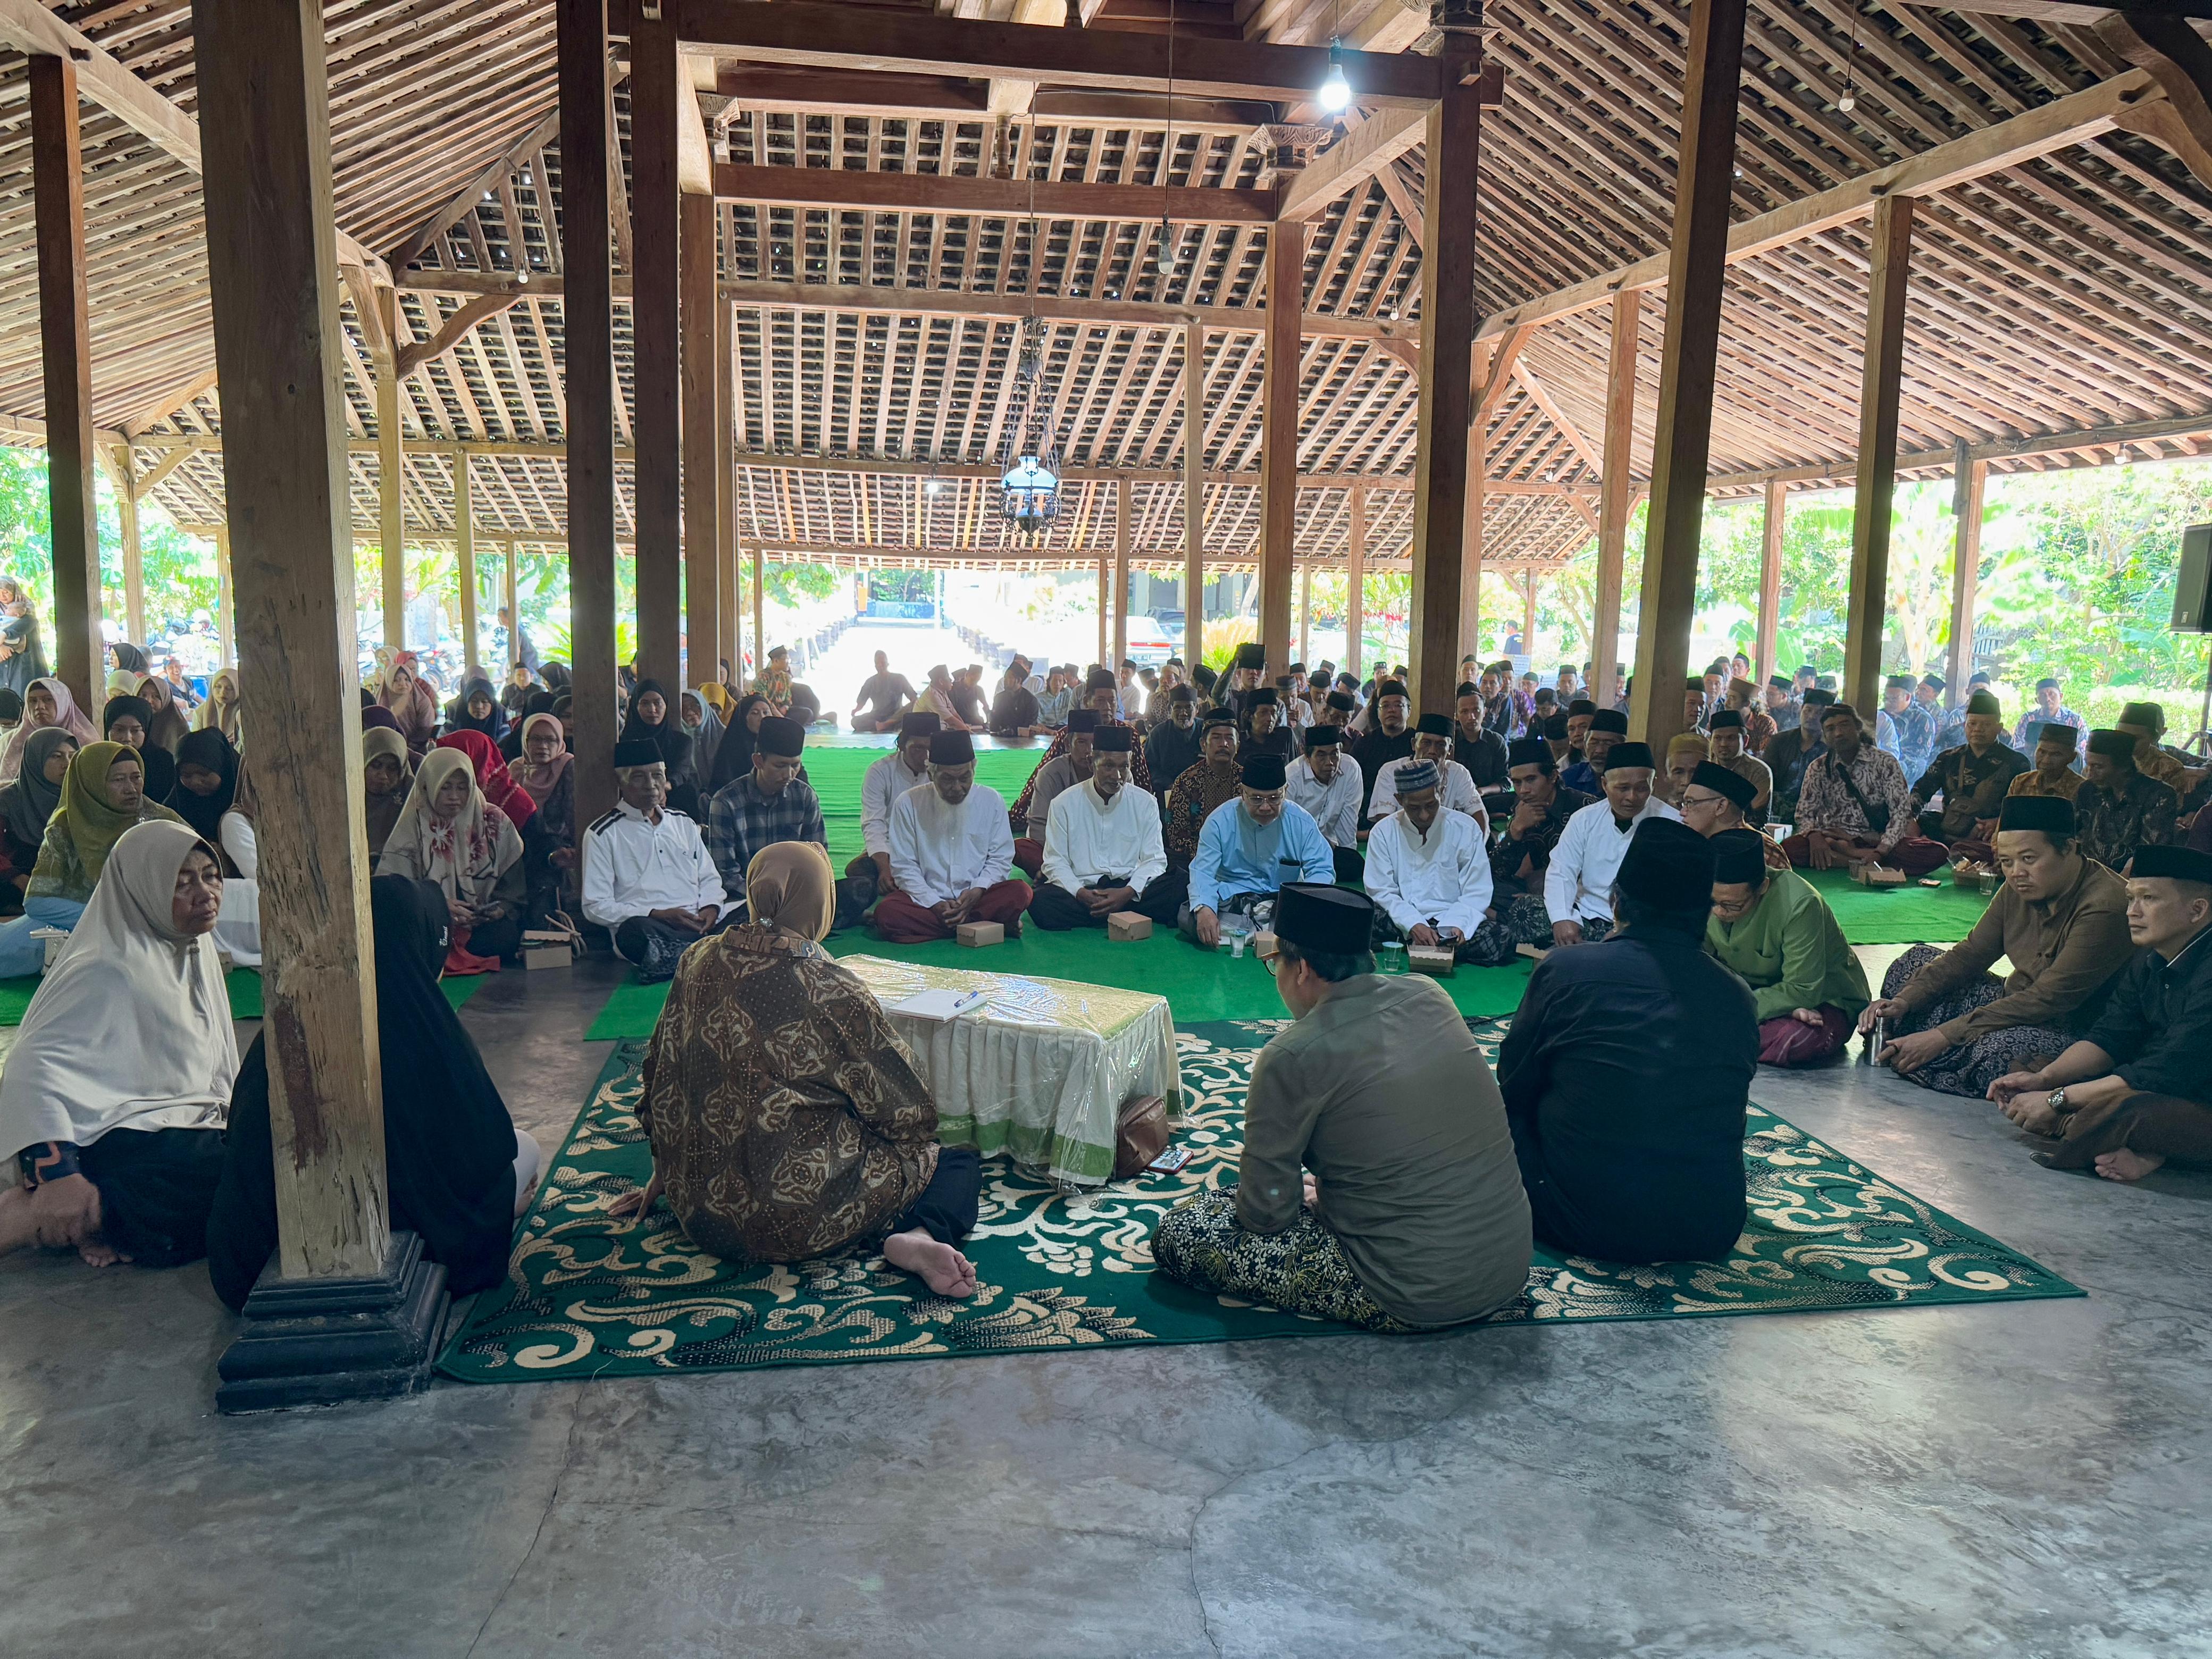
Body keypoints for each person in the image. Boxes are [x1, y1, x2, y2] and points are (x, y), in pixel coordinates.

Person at [1151, 884, 1531, 1331]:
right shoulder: (1430, 995)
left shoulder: (1291, 1054)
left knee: (1183, 1231)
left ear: (1303, 969)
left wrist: (1306, 1200)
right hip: (1508, 1265)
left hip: (1412, 1292)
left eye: (1275, 962)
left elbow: (1265, 1215)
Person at [614, 842, 979, 1296]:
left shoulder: (696, 960)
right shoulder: (829, 987)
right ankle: (919, 1236)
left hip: (700, 1214)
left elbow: (660, 1070)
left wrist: (667, 1167)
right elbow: (909, 1113)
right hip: (802, 1222)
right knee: (953, 1159)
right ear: (819, 900)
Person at [205, 874, 540, 1309]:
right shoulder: (426, 1027)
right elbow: (485, 1147)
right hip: (391, 1248)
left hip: (253, 1262)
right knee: (525, 1148)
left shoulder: (288, 1017)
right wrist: (495, 1213)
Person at [1499, 819, 1755, 1262]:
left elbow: (1514, 1084)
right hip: (1710, 1224)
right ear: (1704, 914)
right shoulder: (1738, 996)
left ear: (1617, 904)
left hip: (1578, 1221)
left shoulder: (1566, 972)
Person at [0, 823, 234, 1270]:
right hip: (110, 1137)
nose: (205, 893)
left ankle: (112, 1224)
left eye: (210, 875)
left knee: (252, 1169)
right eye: (181, 881)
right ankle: (42, 1217)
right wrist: (58, 1176)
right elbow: (32, 1067)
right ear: (142, 886)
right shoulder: (107, 967)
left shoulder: (192, 945)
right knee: (226, 1179)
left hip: (178, 1120)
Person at [1858, 795, 2133, 1098]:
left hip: (2073, 1030)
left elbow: (2049, 999)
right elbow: (1972, 953)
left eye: (2029, 859)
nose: (2016, 872)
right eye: (2007, 861)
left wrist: (1944, 1035)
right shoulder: (2018, 885)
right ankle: (1919, 1046)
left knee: (1995, 1054)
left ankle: (1916, 1046)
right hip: (2015, 1000)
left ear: (2068, 848)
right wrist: (1904, 1001)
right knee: (1913, 964)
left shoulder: (2105, 906)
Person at [1985, 845, 2212, 1181]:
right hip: (2158, 1083)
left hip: (2190, 1092)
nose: (2132, 912)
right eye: (2130, 898)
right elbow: (2111, 1036)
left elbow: (2171, 1068)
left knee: (2130, 1113)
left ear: (2197, 910)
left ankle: (2130, 1141)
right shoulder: (2150, 958)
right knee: (2033, 1066)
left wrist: (2058, 1100)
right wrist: (2046, 1081)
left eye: (2148, 899)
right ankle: (2128, 1141)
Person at [1703, 827, 1870, 1066]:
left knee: (1794, 1040)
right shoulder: (1706, 892)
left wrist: (1726, 1009)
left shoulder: (1800, 905)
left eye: (1732, 906)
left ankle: (1710, 1033)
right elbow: (1699, 962)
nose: (1718, 912)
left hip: (1824, 1000)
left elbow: (1803, 989)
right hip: (1751, 997)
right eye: (1712, 903)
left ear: (1762, 888)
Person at [582, 738, 733, 979]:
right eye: (639, 777)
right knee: (632, 933)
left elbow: (709, 878)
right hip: (655, 927)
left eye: (657, 775)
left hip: (700, 921)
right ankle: (714, 952)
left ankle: (687, 955)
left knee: (753, 910)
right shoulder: (602, 833)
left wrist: (711, 907)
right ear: (620, 781)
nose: (651, 785)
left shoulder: (683, 823)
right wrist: (656, 914)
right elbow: (595, 906)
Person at [376, 744, 528, 963]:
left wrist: (500, 910)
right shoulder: (414, 824)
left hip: (479, 925)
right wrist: (438, 904)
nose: (454, 797)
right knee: (408, 940)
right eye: (445, 788)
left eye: (462, 787)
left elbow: (513, 884)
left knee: (504, 937)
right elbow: (395, 889)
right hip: (431, 921)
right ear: (429, 786)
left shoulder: (494, 821)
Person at [875, 731, 1032, 942]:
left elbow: (1000, 858)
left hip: (977, 898)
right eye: (948, 779)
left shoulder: (991, 801)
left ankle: (950, 927)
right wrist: (934, 903)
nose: (958, 788)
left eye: (965, 778)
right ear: (931, 774)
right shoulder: (908, 803)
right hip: (926, 901)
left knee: (1021, 891)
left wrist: (978, 889)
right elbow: (904, 867)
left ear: (973, 770)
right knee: (887, 912)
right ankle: (986, 926)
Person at [1541, 742, 1682, 949]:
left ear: (1654, 784)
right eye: (1623, 788)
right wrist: (1562, 918)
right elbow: (1562, 870)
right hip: (1588, 915)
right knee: (1527, 911)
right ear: (1605, 784)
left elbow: (1675, 892)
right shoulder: (1584, 819)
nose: (1632, 797)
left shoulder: (1673, 824)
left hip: (1644, 926)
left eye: (1642, 788)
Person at [1182, 753, 1334, 946]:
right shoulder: (1220, 822)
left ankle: (1253, 935)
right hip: (1233, 900)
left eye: (1273, 798)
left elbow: (1322, 869)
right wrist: (1205, 909)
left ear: (1285, 792)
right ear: (1242, 793)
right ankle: (1278, 937)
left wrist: (1305, 904)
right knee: (1194, 916)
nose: (1265, 807)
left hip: (1283, 902)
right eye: (1256, 799)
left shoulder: (1301, 822)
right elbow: (1203, 871)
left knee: (1328, 917)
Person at [1032, 728, 1172, 930]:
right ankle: (1117, 914)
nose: (1117, 776)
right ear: (1092, 764)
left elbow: (1155, 860)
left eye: (1124, 767)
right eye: (1108, 766)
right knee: (1040, 900)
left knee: (1177, 885)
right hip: (1083, 891)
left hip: (1129, 889)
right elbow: (1055, 862)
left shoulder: (1145, 803)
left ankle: (1103, 913)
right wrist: (1080, 893)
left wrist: (1127, 893)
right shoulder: (1063, 804)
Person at [1783, 702, 1936, 874]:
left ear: (1858, 727)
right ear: (1825, 736)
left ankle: (1848, 857)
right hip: (1832, 838)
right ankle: (1861, 860)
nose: (1839, 733)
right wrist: (1814, 836)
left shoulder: (1885, 763)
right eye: (1831, 729)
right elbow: (1804, 813)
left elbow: (1901, 813)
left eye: (1844, 725)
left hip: (1877, 840)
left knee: (1935, 852)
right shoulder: (1818, 767)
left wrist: (1881, 850)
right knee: (1791, 847)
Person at [1364, 759, 1493, 960]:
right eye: (1415, 808)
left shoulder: (1466, 828)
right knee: (1358, 921)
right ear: (1399, 800)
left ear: (1440, 792)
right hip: (1401, 919)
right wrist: (1413, 924)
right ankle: (1426, 942)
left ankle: (1427, 944)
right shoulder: (1383, 832)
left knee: (1501, 936)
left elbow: (1477, 889)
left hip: (1449, 919)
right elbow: (1382, 891)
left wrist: (1458, 924)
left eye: (1431, 805)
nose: (1425, 815)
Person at [706, 714, 828, 915]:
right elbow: (726, 873)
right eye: (780, 766)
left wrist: (796, 896)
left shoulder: (805, 797)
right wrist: (764, 900)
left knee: (856, 892)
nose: (789, 774)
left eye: (795, 765)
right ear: (758, 761)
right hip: (747, 899)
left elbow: (818, 856)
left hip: (795, 896)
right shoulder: (726, 802)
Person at [1007, 672, 1154, 828]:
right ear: (1086, 701)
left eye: (1112, 701)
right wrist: (1018, 813)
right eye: (1100, 701)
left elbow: (1141, 779)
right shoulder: (1070, 733)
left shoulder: (1127, 734)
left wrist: (1145, 813)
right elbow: (1042, 773)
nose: (1107, 707)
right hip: (1068, 817)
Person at [1908, 689, 2027, 863]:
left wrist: (1999, 822)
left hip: (1986, 836)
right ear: (1965, 725)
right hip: (1948, 830)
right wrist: (1910, 818)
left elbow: (2022, 807)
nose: (1978, 729)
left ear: (1999, 728)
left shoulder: (2016, 762)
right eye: (1972, 724)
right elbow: (1921, 790)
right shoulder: (1948, 758)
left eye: (1986, 725)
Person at [1484, 735, 1597, 907]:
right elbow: (1498, 872)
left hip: (1579, 894)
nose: (1523, 790)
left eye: (1531, 780)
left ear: (1552, 777)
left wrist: (1544, 895)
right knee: (1484, 891)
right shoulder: (1522, 808)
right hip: (1536, 890)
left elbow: (1598, 873)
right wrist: (1515, 831)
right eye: (1517, 782)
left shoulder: (1585, 808)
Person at [2072, 728, 2181, 873]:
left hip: (2135, 879)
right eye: (2089, 765)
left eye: (2098, 767)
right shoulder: (2088, 790)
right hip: (2088, 874)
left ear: (2123, 767)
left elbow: (2152, 853)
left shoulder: (2158, 795)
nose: (2090, 773)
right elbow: (2074, 835)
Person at [1368, 713, 1487, 829]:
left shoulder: (1458, 773)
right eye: (1426, 743)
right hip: (1401, 845)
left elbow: (1480, 817)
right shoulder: (1390, 772)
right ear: (1414, 744)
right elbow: (1384, 824)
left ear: (1450, 749)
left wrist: (1477, 847)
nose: (1432, 751)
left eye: (1441, 745)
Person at [0, 726, 74, 904]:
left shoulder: (79, 797)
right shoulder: (9, 800)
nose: (67, 763)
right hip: (15, 889)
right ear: (36, 759)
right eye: (56, 756)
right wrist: (17, 878)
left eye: (73, 756)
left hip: (68, 889)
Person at [1164, 711, 1244, 869]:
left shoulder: (1248, 781)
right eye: (1216, 738)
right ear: (1203, 744)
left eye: (1230, 738)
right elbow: (1177, 835)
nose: (1224, 744)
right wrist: (1209, 858)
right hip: (1195, 863)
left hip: (1240, 862)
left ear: (1238, 746)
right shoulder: (1186, 781)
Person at [1286, 724, 1364, 883]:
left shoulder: (1350, 769)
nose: (1330, 762)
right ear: (1307, 757)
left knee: (1354, 865)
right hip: (1296, 846)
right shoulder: (1291, 777)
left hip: (1329, 846)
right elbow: (1288, 828)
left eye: (1335, 754)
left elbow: (1348, 820)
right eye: (1321, 755)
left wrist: (1347, 855)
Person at [619, 678, 701, 818]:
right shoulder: (625, 742)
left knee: (686, 792)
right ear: (635, 707)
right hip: (635, 801)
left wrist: (662, 789)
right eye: (645, 704)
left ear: (666, 705)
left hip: (672, 796)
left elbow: (680, 772)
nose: (652, 710)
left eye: (658, 703)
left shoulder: (682, 741)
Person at [0, 676, 98, 786]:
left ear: (62, 702)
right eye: (33, 701)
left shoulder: (86, 742)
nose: (39, 707)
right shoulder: (10, 742)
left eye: (48, 700)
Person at [1347, 679, 1413, 818]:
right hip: (1367, 815)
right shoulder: (1364, 743)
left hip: (1410, 814)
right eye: (1385, 706)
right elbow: (1351, 783)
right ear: (1378, 712)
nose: (1391, 710)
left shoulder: (1417, 743)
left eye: (1398, 705)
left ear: (1409, 711)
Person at [102, 694, 177, 803]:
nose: (127, 738)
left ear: (146, 731)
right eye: (119, 730)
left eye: (135, 731)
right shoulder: (99, 761)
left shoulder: (163, 763)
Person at [1706, 710, 1772, 825]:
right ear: (1710, 740)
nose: (1723, 744)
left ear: (1745, 741)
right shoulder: (1705, 767)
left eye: (1731, 738)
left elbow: (1757, 818)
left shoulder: (1759, 771)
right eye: (1718, 738)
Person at [361, 725, 414, 862]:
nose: (383, 776)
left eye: (392, 768)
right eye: (376, 766)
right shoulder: (342, 798)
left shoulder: (412, 798)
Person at [376, 653, 441, 759]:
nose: (403, 684)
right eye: (396, 680)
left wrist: (408, 748)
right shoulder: (381, 702)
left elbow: (426, 729)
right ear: (388, 682)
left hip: (418, 751)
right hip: (387, 750)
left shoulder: (422, 701)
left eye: (407, 680)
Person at [1452, 682, 1511, 794]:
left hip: (1487, 799)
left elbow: (1505, 782)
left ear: (1485, 712)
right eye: (1465, 712)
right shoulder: (1451, 740)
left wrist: (1482, 791)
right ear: (1456, 715)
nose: (1471, 717)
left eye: (1476, 710)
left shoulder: (1496, 742)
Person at [2008, 723, 2085, 803]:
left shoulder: (2082, 789)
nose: (2046, 760)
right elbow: (2007, 815)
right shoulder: (2020, 782)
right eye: (2042, 752)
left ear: (2072, 758)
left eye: (2056, 754)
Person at [1557, 708, 1626, 797]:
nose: (1599, 751)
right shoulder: (1570, 777)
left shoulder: (1632, 780)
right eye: (1594, 743)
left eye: (1608, 744)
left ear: (1623, 747)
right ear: (1585, 745)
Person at [1144, 685, 1202, 789]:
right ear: (1169, 709)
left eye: (1188, 707)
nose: (1183, 713)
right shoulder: (1158, 734)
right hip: (1167, 791)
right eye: (1177, 708)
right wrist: (1171, 786)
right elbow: (1149, 766)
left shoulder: (1206, 731)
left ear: (1197, 709)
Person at [0, 576, 49, 698]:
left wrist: (5, 634)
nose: (2, 596)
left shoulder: (25, 606)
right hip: (3, 662)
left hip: (23, 661)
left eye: (6, 592)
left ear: (14, 590)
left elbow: (29, 622)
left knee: (24, 698)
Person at [2013, 677, 2085, 758]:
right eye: (2043, 695)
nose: (2048, 699)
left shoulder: (2075, 720)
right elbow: (2018, 746)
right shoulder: (2028, 719)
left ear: (2061, 696)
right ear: (2037, 700)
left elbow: (2082, 750)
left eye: (2052, 694)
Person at [851, 650, 917, 733]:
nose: (880, 665)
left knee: (913, 707)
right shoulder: (870, 682)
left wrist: (913, 706)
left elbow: (913, 699)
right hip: (877, 717)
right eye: (877, 663)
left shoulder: (900, 678)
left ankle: (886, 725)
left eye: (882, 662)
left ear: (888, 663)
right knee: (855, 721)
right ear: (875, 665)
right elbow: (861, 702)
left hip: (895, 716)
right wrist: (856, 710)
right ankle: (882, 726)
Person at [679, 688, 726, 785]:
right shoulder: (678, 738)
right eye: (684, 708)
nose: (690, 712)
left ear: (704, 706)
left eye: (695, 706)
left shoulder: (725, 735)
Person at [1238, 688, 1295, 765]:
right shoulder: (1240, 742)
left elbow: (1296, 768)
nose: (1270, 719)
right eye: (1263, 713)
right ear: (1250, 716)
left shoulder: (1285, 737)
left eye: (1273, 713)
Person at [446, 676, 507, 745]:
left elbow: (504, 751)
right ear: (466, 703)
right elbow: (443, 748)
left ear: (492, 704)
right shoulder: (452, 724)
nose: (479, 707)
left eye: (484, 702)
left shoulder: (501, 726)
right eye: (474, 701)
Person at [987, 660, 1041, 739]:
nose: (1005, 681)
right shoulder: (999, 698)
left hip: (1024, 741)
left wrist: (1013, 731)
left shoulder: (1031, 700)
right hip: (1001, 739)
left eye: (1009, 678)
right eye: (1005, 678)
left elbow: (1029, 726)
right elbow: (994, 722)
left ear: (1019, 680)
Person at [1723, 677, 1777, 755]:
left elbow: (1766, 754)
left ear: (1747, 703)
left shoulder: (1765, 723)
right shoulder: (1722, 721)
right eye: (1727, 697)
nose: (1726, 703)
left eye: (1733, 699)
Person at [194, 667, 243, 745]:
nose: (223, 692)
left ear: (238, 689)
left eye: (229, 688)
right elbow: (195, 743)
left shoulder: (243, 713)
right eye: (218, 687)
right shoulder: (201, 712)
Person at [1660, 731, 1707, 809]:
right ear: (1666, 774)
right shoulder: (1655, 813)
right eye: (1678, 773)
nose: (1687, 782)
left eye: (1695, 773)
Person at [497, 605, 540, 675]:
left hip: (528, 662)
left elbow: (516, 650)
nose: (498, 619)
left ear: (508, 618)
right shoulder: (513, 631)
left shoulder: (516, 632)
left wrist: (515, 669)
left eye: (500, 616)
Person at [1035, 666, 1075, 731]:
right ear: (1049, 682)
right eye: (1055, 681)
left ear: (1064, 683)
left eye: (1060, 681)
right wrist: (1050, 732)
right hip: (1046, 730)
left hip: (1065, 729)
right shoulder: (1039, 698)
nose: (1058, 684)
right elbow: (1037, 723)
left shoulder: (1068, 694)